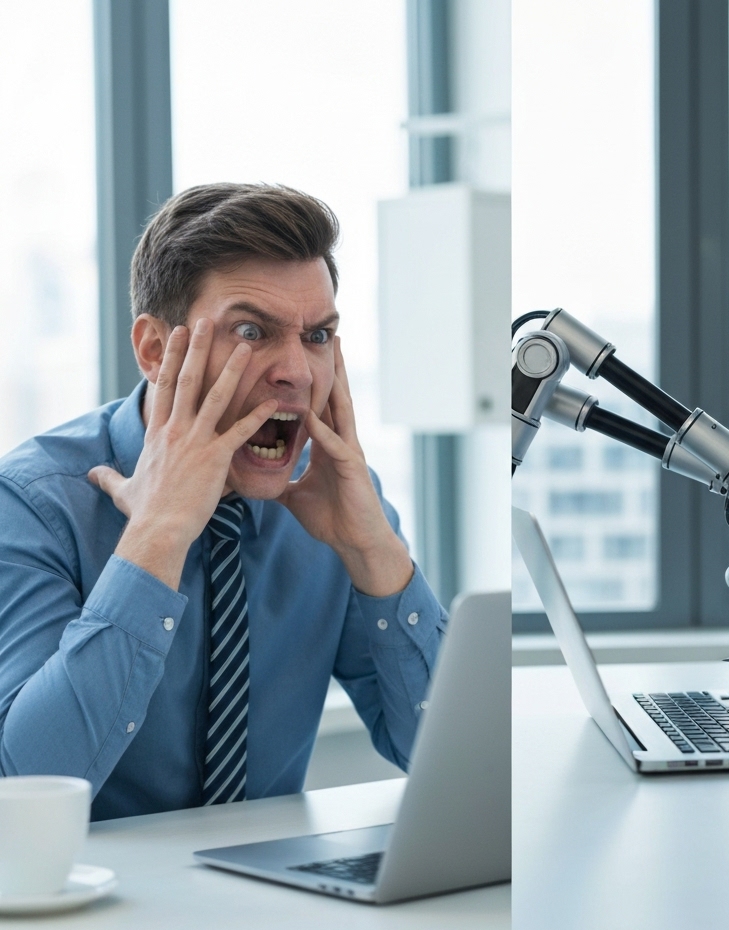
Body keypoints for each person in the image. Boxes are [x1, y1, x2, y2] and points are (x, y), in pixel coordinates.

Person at [0, 183, 446, 819]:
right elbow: (22, 794)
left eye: (318, 336)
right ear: (156, 351)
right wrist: (158, 537)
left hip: (275, 901)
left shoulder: (339, 502)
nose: (295, 371)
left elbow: (445, 762)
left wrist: (378, 556)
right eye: (250, 331)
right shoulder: (31, 503)